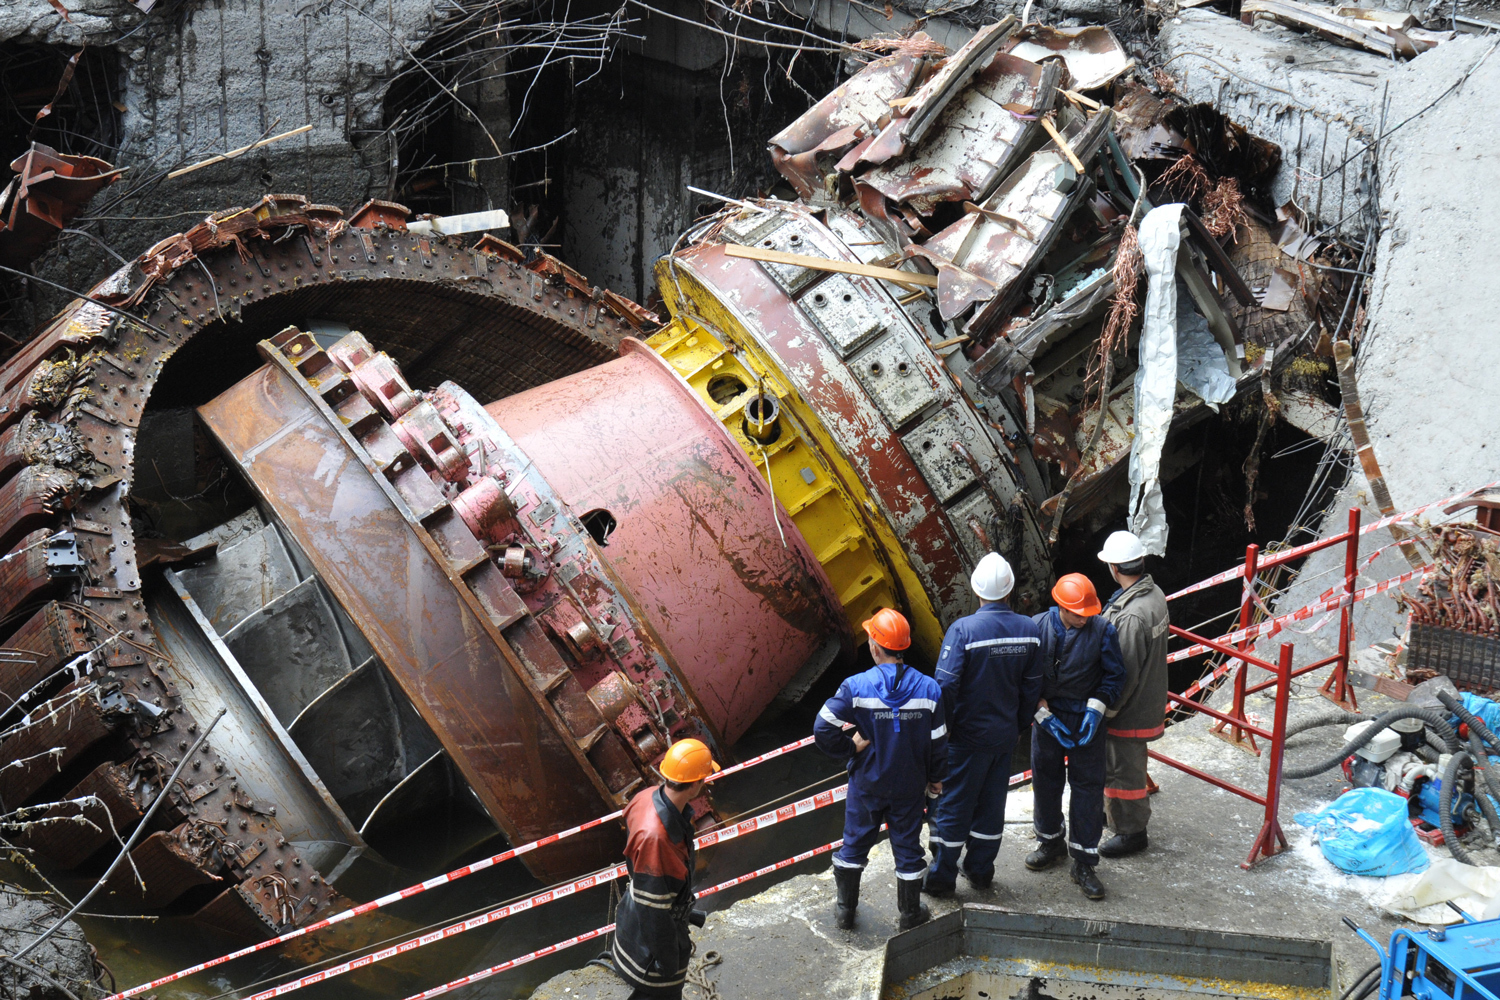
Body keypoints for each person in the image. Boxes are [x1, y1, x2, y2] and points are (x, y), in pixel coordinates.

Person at [815, 608, 947, 931]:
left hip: (867, 785)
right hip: (909, 788)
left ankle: (846, 911)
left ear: (874, 646)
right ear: (904, 647)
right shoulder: (930, 690)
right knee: (907, 848)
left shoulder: (855, 687)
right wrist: (935, 781)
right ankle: (910, 914)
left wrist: (849, 747)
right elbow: (939, 743)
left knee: (854, 844)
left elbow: (823, 727)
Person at [924, 552, 1044, 896]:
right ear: (1009, 590)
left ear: (977, 590)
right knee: (992, 806)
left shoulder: (963, 631)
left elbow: (945, 687)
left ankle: (942, 878)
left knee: (954, 807)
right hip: (1004, 737)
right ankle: (980, 871)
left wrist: (940, 733)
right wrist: (1016, 725)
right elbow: (1031, 688)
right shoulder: (1029, 630)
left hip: (965, 740)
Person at [1024, 573, 1126, 899]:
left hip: (1085, 719)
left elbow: (1115, 675)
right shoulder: (1036, 628)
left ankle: (1083, 861)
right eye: (1077, 613)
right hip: (1048, 719)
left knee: (1087, 787)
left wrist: (1097, 709)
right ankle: (1050, 841)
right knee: (1045, 781)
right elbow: (1022, 678)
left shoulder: (1103, 630)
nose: (1084, 618)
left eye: (1088, 613)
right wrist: (1039, 711)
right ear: (1061, 607)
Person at [610, 738, 717, 998]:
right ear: (694, 785)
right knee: (661, 990)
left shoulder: (644, 797)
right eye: (703, 779)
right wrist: (669, 961)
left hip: (632, 917)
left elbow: (632, 863)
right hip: (651, 941)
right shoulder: (658, 839)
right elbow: (653, 912)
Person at [1095, 530, 1170, 858]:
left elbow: (1122, 676)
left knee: (1122, 771)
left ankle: (1131, 832)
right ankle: (1113, 816)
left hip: (1129, 711)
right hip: (1149, 698)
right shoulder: (1154, 596)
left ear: (1114, 567)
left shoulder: (1130, 617)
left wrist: (1106, 711)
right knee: (1127, 766)